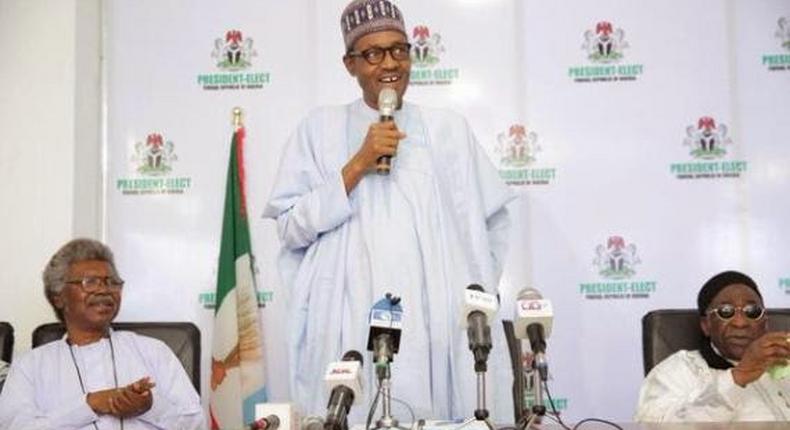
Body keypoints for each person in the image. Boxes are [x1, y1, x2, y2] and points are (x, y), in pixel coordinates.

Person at [262, 0, 513, 420]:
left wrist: (462, 286)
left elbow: (490, 225)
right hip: (348, 320)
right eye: (373, 53)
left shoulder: (447, 129)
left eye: (399, 49)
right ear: (350, 64)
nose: (390, 63)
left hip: (437, 325)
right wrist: (359, 163)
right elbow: (290, 229)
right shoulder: (318, 129)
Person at [0, 238, 207, 430]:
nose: (104, 290)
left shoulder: (153, 351)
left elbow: (197, 424)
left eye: (112, 282)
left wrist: (150, 407)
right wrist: (89, 405)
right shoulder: (30, 365)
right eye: (90, 282)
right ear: (58, 297)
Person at [635, 270, 790, 422]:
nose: (740, 323)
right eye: (726, 311)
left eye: (752, 311)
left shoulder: (784, 364)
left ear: (765, 323)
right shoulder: (678, 370)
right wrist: (739, 375)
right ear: (706, 325)